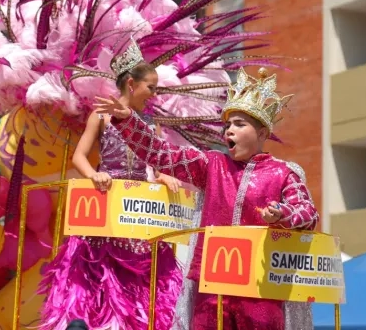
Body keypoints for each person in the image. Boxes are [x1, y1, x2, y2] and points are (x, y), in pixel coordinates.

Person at [94, 67, 319, 330]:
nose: (229, 131)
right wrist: (128, 122)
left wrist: (282, 214)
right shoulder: (210, 164)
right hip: (211, 288)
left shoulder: (283, 172)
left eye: (239, 124)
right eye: (227, 125)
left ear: (261, 134)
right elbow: (160, 154)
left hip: (261, 289)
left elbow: (308, 214)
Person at [38, 39, 184, 330]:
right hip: (106, 209)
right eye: (151, 88)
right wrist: (94, 175)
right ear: (131, 84)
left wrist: (165, 174)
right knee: (97, 280)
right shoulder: (101, 116)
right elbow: (80, 156)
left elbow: (156, 160)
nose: (154, 95)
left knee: (139, 288)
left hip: (140, 214)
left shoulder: (149, 122)